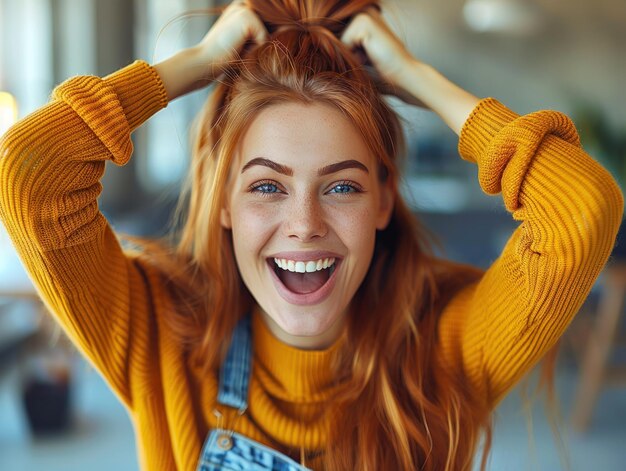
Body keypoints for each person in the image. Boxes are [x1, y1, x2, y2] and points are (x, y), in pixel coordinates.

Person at [0, 0, 622, 469]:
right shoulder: (159, 333)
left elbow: (583, 211)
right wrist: (194, 66)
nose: (304, 226)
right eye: (267, 186)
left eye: (342, 186)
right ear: (223, 202)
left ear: (384, 198)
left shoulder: (443, 346)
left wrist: (417, 81)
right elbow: (29, 176)